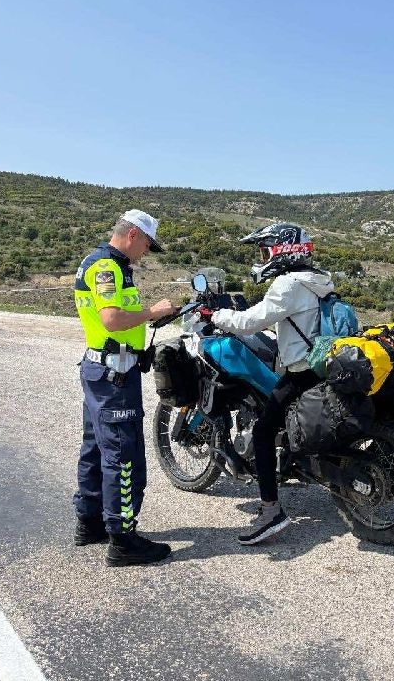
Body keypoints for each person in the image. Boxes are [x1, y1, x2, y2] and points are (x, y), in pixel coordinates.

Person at [200, 222, 334, 545]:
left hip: (301, 372)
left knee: (262, 431)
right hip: (323, 364)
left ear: (282, 251)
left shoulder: (287, 285)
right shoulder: (318, 280)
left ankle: (271, 511)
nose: (263, 258)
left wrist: (215, 316)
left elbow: (250, 323)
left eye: (266, 251)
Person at [72, 209, 176, 566]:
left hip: (102, 371)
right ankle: (123, 539)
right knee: (123, 454)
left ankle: (90, 524)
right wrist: (151, 312)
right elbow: (112, 320)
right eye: (147, 243)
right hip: (113, 376)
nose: (146, 251)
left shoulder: (103, 263)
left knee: (96, 448)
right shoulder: (107, 267)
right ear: (133, 234)